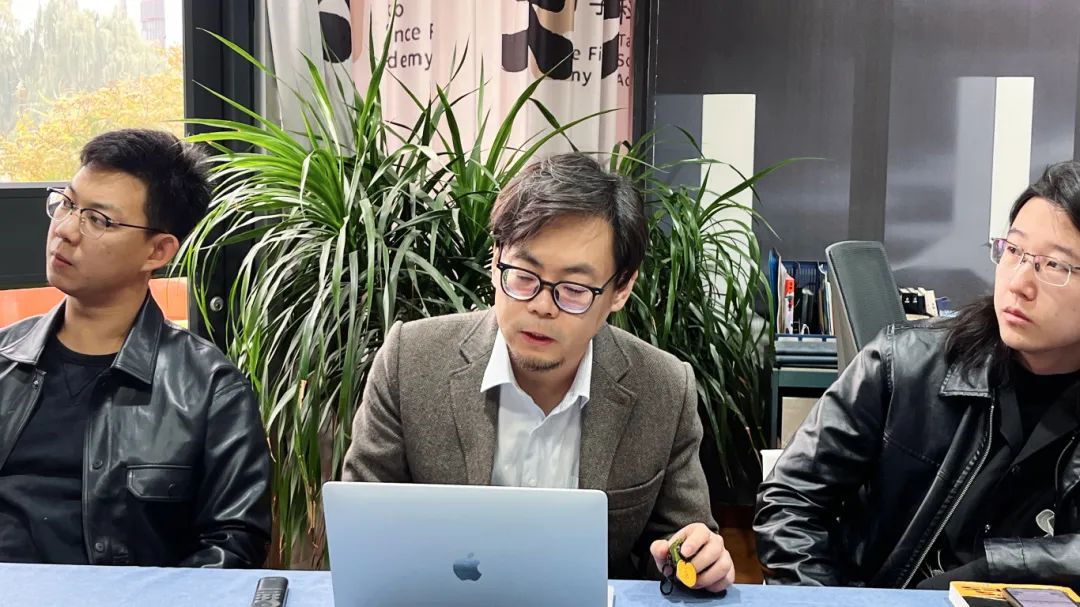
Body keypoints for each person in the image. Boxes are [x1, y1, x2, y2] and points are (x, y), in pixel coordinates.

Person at [342, 152, 734, 589]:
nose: (542, 306)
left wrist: (695, 559)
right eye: (524, 276)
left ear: (621, 289)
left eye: (574, 288)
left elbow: (679, 543)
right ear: (496, 261)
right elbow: (363, 528)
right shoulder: (410, 361)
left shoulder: (663, 388)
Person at [755, 161, 1080, 589]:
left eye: (1054, 265)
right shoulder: (903, 364)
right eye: (1014, 250)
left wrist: (996, 568)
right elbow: (789, 500)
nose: (1019, 282)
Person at [0, 129, 271, 567]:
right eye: (67, 204)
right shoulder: (5, 360)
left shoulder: (210, 390)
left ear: (157, 251)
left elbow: (232, 546)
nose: (65, 230)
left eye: (98, 220)